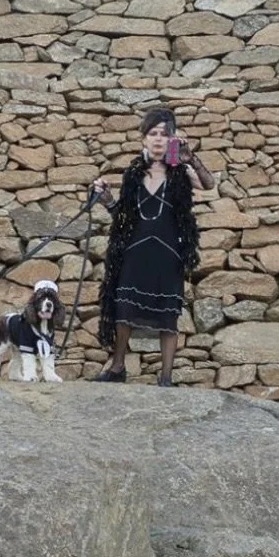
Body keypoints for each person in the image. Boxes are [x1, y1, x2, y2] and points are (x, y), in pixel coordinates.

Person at [92, 106, 215, 386]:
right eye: (153, 134)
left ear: (172, 138)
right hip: (135, 251)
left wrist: (190, 157)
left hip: (168, 253)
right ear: (144, 139)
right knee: (124, 309)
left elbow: (208, 184)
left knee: (168, 315)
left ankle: (166, 378)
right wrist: (107, 200)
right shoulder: (133, 174)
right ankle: (117, 367)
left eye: (164, 134)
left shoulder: (180, 171)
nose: (158, 139)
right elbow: (123, 217)